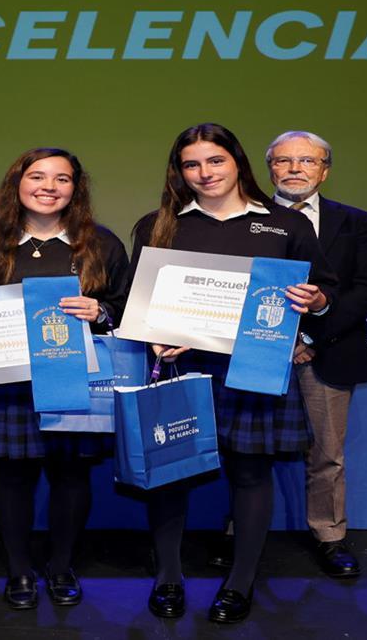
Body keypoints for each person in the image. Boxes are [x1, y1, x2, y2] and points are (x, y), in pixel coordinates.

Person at [128, 123, 337, 623]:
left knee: (250, 474)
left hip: (254, 367)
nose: (205, 173)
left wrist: (316, 301)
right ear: (179, 172)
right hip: (180, 365)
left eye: (215, 160)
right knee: (171, 472)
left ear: (237, 162)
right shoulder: (158, 225)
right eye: (192, 164)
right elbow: (141, 300)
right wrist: (152, 334)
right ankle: (168, 577)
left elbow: (323, 291)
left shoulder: (285, 224)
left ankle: (241, 582)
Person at [0, 148, 129, 610]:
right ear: (17, 184)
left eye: (62, 179)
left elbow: (126, 309)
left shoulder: (102, 244)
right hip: (7, 386)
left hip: (76, 379)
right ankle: (19, 569)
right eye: (38, 176)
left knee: (72, 476)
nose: (49, 187)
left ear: (75, 189)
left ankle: (61, 566)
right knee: (11, 477)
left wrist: (100, 311)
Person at [266, 130, 367, 578]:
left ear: (325, 171)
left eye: (308, 161)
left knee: (326, 453)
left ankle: (330, 536)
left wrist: (311, 340)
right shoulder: (247, 219)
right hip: (257, 352)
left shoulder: (356, 222)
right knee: (244, 450)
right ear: (270, 169)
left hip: (328, 352)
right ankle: (238, 531)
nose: (295, 169)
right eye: (284, 160)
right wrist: (281, 343)